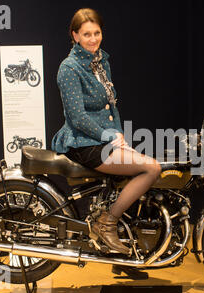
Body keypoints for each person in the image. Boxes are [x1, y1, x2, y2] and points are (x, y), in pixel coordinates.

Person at [52, 8, 162, 257]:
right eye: (86, 34)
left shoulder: (101, 62)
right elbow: (77, 118)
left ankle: (126, 250)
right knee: (152, 168)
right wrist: (109, 136)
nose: (93, 39)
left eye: (97, 33)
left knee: (140, 174)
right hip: (84, 144)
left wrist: (119, 136)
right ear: (75, 35)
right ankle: (107, 222)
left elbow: (111, 106)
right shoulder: (69, 68)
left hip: (105, 139)